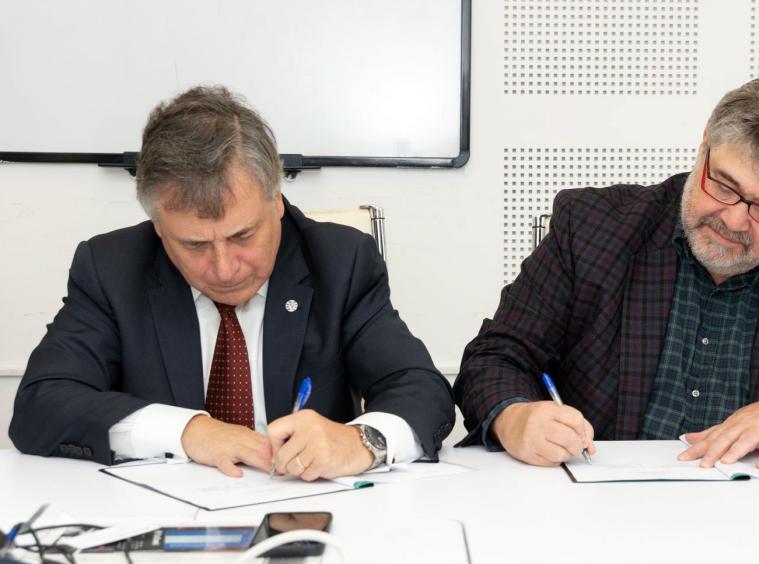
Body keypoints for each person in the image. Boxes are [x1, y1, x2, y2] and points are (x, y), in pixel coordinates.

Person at [455, 78, 759, 469]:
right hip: (599, 503)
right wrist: (514, 416)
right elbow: (495, 357)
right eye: (724, 186)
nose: (734, 221)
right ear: (703, 147)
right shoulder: (594, 225)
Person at [10, 86, 454, 480]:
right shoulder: (112, 267)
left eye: (242, 236)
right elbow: (41, 404)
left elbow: (421, 390)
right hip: (162, 523)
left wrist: (363, 441)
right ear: (159, 228)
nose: (224, 268)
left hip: (310, 514)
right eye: (194, 244)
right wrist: (188, 431)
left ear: (276, 199)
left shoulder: (340, 262)